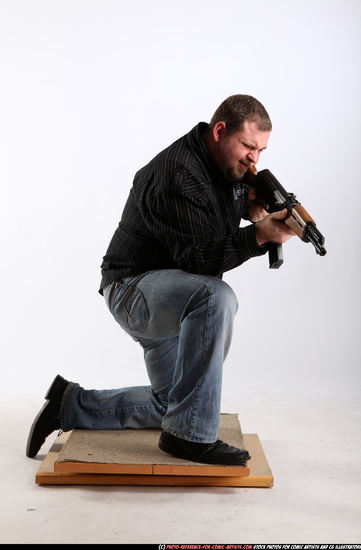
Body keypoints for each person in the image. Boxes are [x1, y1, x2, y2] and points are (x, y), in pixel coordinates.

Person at [26, 94, 294, 464]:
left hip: (171, 291)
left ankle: (70, 405)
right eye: (248, 146)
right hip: (132, 290)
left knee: (176, 402)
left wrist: (247, 209)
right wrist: (260, 235)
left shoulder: (224, 167)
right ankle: (191, 439)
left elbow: (207, 226)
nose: (254, 159)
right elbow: (199, 259)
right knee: (217, 297)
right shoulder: (178, 174)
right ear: (219, 131)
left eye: (261, 150)